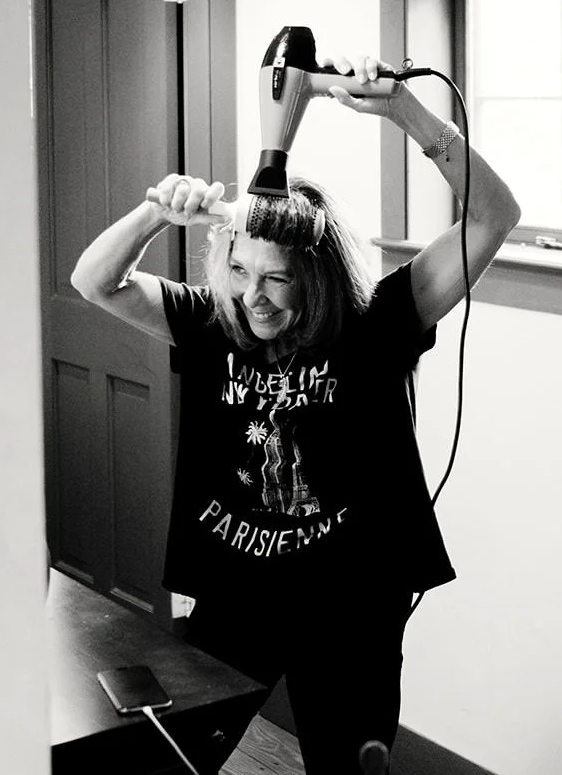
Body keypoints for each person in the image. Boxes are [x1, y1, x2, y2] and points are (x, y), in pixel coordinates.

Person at [70, 54, 521, 774]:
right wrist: (158, 210)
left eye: (278, 278)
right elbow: (94, 280)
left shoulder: (377, 324)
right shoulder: (211, 322)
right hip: (236, 594)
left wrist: (406, 112)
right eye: (241, 271)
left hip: (351, 607)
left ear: (315, 273)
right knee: (177, 753)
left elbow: (495, 215)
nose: (256, 297)